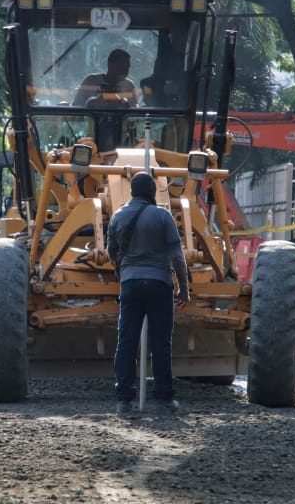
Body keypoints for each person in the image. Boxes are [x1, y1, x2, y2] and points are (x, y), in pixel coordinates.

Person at [107, 172, 190, 417]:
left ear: (131, 191)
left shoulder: (117, 216)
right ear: (153, 191)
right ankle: (164, 399)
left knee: (126, 342)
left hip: (130, 284)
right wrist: (183, 289)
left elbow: (112, 253)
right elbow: (177, 257)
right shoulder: (163, 216)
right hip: (159, 284)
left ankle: (124, 400)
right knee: (161, 342)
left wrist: (127, 266)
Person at [72, 48, 137, 107]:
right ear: (110, 64)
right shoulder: (90, 81)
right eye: (121, 66)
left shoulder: (129, 85)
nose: (125, 70)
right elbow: (76, 107)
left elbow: (134, 113)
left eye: (127, 67)